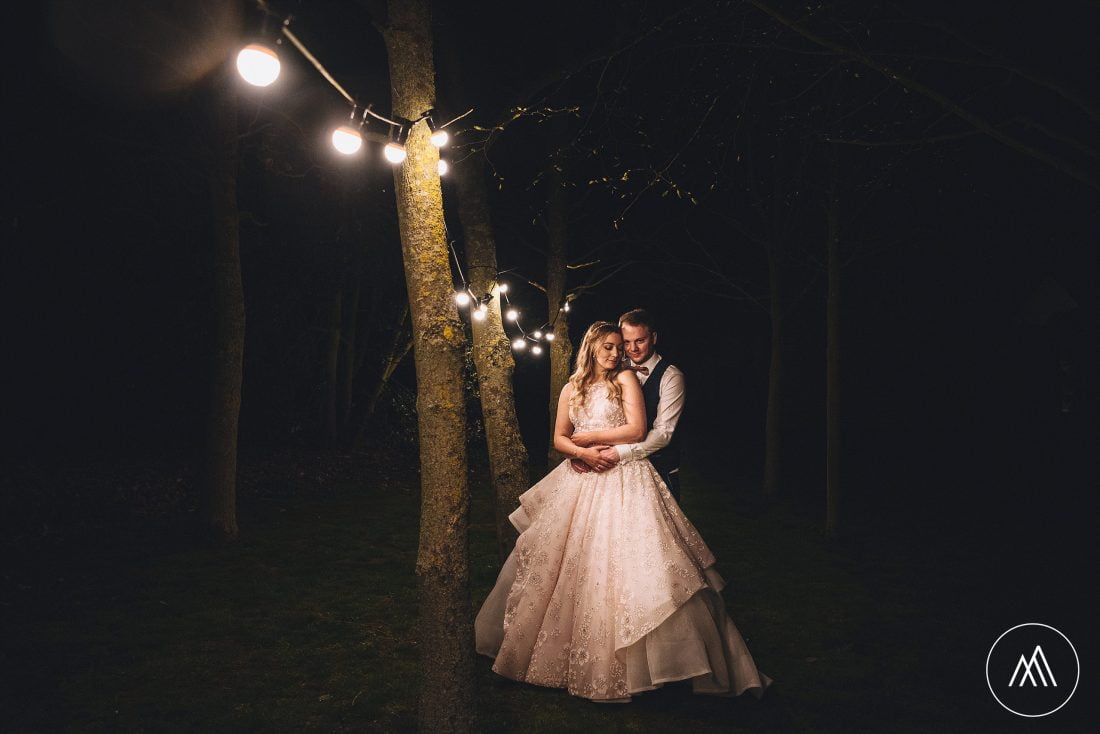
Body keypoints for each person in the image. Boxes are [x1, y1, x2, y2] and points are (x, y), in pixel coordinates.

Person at [475, 321, 771, 703]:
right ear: (591, 348)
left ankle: (657, 664)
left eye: (620, 347)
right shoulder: (571, 387)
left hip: (625, 478)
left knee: (637, 564)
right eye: (610, 347)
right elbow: (559, 438)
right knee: (564, 564)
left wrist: (590, 439)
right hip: (581, 479)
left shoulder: (626, 380)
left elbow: (635, 429)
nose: (617, 354)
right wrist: (581, 453)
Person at [570, 308, 685, 500]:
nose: (632, 349)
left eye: (640, 340)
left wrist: (618, 453)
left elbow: (663, 433)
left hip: (660, 470)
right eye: (626, 343)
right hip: (611, 474)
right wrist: (582, 453)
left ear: (653, 338)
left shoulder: (671, 377)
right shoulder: (610, 367)